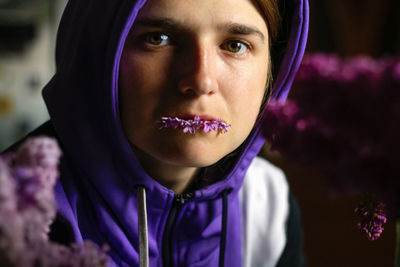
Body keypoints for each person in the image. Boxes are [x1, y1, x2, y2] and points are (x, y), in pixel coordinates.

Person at [6, 0, 309, 266]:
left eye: (235, 45)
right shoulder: (15, 209)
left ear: (275, 67)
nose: (201, 81)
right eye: (158, 38)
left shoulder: (265, 205)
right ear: (96, 53)